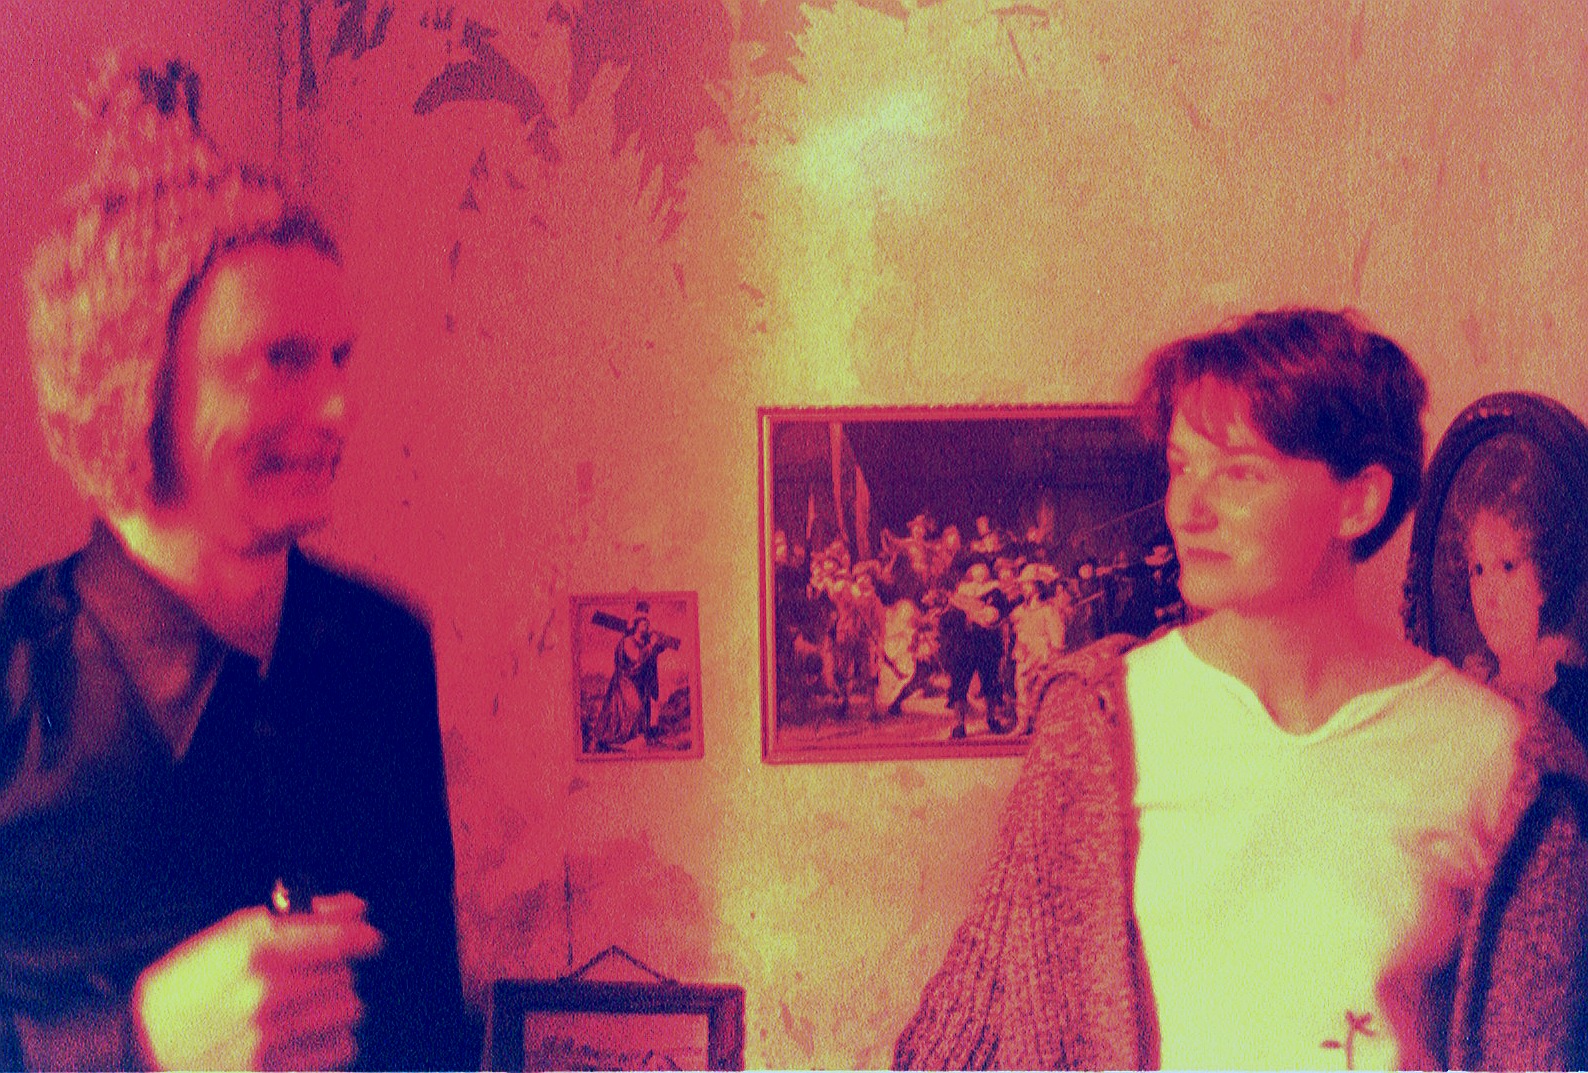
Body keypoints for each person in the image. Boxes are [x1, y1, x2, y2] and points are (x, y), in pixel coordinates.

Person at [895, 308, 1588, 1069]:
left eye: (1239, 473)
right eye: (1181, 467)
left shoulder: (1501, 760)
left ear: (1358, 502)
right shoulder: (1099, 725)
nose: (1188, 510)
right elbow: (965, 1036)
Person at [1, 55, 468, 1070]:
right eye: (281, 359)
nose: (337, 407)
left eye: (339, 357)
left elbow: (429, 1017)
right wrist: (134, 1042)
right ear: (134, 380)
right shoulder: (11, 687)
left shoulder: (381, 649)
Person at [1450, 433, 1588, 746]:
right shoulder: (1467, 692)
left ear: (1544, 576)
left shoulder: (1575, 694)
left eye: (1508, 566)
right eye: (1478, 570)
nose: (1489, 596)